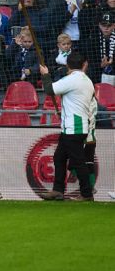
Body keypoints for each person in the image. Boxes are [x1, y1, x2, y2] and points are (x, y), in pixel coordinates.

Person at [38, 53, 97, 201]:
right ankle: (58, 190)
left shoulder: (72, 79)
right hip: (74, 127)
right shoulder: (87, 81)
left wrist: (45, 75)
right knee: (59, 157)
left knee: (78, 162)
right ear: (84, 65)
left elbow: (49, 90)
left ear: (67, 66)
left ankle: (87, 194)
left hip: (73, 128)